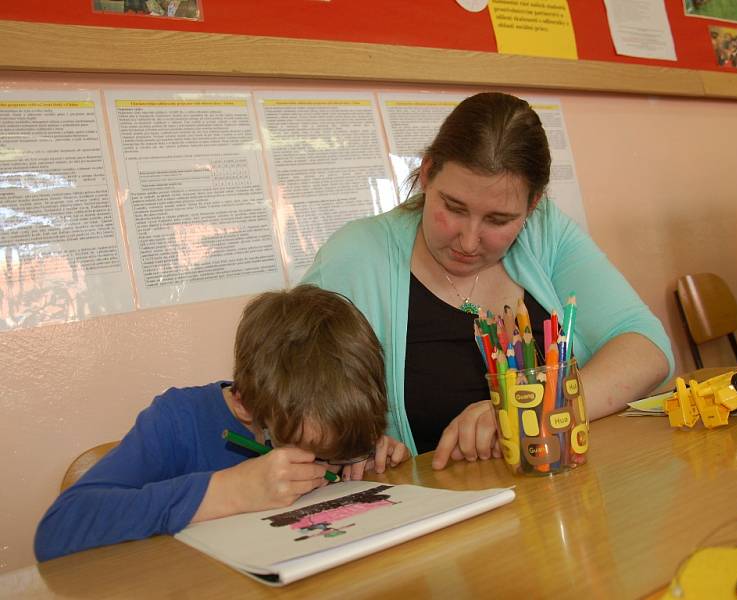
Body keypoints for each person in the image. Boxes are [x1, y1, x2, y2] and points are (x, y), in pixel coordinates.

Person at [301, 92, 673, 470]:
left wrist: (535, 407)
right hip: (434, 507)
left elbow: (648, 350)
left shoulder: (545, 231)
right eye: (454, 208)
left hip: (559, 490)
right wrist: (347, 443)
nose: (468, 241)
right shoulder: (355, 256)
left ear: (532, 206)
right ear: (427, 173)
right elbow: (288, 394)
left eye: (498, 220)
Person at [34, 285, 409, 561]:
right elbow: (58, 530)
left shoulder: (327, 420)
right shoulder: (178, 421)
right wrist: (226, 491)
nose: (322, 466)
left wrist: (365, 453)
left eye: (333, 453)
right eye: (309, 453)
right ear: (246, 404)